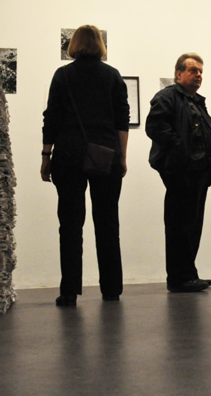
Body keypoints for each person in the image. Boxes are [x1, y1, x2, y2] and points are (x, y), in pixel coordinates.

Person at [41, 25, 129, 307]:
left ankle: (69, 291)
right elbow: (122, 120)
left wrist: (46, 155)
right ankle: (111, 288)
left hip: (68, 156)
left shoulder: (63, 75)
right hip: (105, 154)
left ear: (74, 44)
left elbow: (51, 117)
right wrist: (122, 156)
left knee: (69, 224)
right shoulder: (113, 75)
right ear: (100, 45)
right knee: (107, 222)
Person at [146, 53, 211, 293]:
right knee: (180, 226)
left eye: (200, 72)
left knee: (193, 225)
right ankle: (179, 278)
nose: (198, 75)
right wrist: (180, 148)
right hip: (180, 171)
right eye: (193, 70)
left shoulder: (196, 100)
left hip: (199, 172)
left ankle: (188, 275)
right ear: (179, 74)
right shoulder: (167, 97)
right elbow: (155, 127)